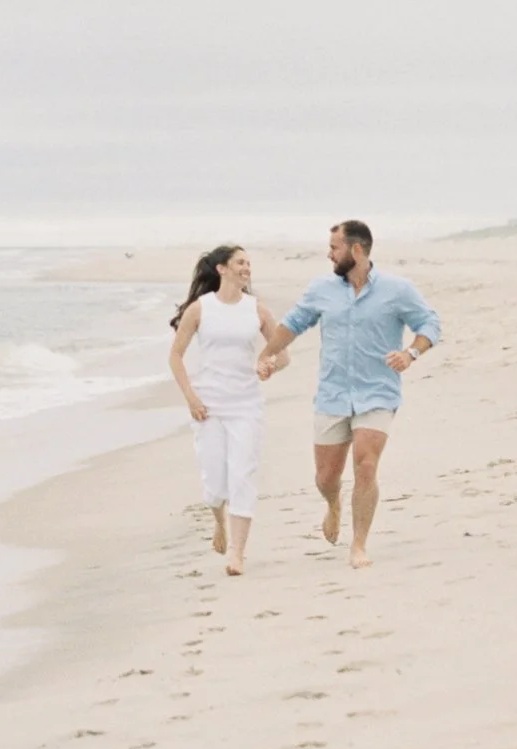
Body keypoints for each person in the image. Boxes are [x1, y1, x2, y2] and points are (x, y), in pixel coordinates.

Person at [257, 219, 441, 569]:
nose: (329, 255)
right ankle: (333, 503)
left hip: (378, 392)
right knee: (326, 478)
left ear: (356, 249)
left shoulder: (397, 290)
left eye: (334, 248)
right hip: (333, 393)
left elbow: (430, 324)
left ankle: (358, 545)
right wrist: (266, 355)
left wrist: (410, 353)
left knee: (366, 465)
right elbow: (293, 324)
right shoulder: (321, 289)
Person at [168, 245, 288, 574]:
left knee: (243, 474)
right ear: (221, 269)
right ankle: (219, 518)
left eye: (249, 262)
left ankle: (237, 553)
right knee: (215, 480)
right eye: (240, 262)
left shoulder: (257, 310)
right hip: (208, 406)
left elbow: (282, 355)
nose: (246, 267)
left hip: (246, 405)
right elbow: (175, 356)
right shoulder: (200, 309)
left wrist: (268, 365)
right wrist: (191, 398)